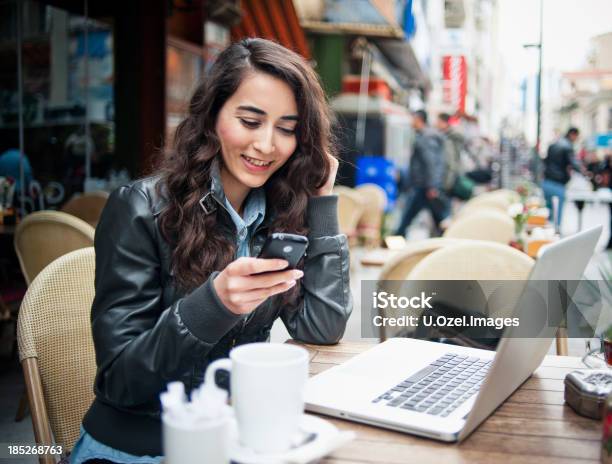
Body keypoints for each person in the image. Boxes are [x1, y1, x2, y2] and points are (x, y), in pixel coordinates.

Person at [70, 38, 352, 464]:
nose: (266, 145)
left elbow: (322, 326)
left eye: (287, 128)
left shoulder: (280, 212)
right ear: (212, 116)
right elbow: (120, 382)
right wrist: (214, 304)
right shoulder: (139, 208)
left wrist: (322, 204)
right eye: (250, 120)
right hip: (139, 447)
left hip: (234, 439)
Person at [394, 109, 448, 237]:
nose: (411, 122)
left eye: (413, 119)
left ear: (419, 120)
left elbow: (431, 163)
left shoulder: (426, 138)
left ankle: (394, 239)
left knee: (407, 217)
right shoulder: (425, 136)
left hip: (424, 186)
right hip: (425, 186)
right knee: (438, 218)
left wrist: (432, 186)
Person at [542, 127, 583, 227]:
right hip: (558, 184)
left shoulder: (553, 144)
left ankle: (546, 238)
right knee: (556, 218)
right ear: (573, 134)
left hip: (546, 182)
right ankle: (555, 237)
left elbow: (546, 162)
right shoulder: (567, 146)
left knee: (548, 215)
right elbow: (574, 164)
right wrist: (585, 172)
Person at [435, 112, 464, 195]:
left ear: (445, 123)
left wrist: (447, 185)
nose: (436, 124)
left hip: (446, 182)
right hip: (449, 180)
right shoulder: (449, 137)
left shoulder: (447, 140)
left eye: (438, 122)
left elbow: (450, 163)